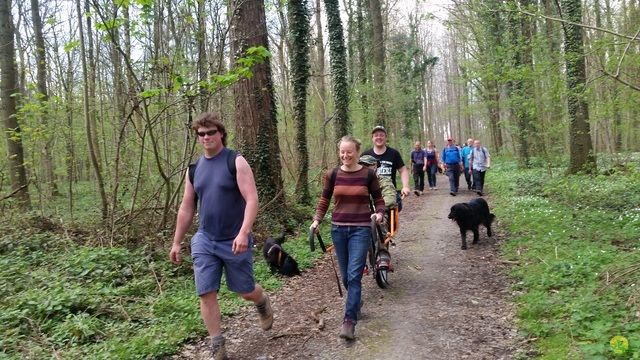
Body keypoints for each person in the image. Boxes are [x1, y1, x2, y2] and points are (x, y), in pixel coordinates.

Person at [170, 113, 273, 360]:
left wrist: (244, 233)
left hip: (234, 238)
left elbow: (252, 199)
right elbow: (186, 206)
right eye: (201, 134)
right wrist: (176, 241)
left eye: (211, 132)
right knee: (206, 292)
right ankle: (218, 344)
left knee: (245, 291)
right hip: (205, 238)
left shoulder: (235, 161)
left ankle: (261, 301)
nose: (206, 137)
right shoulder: (194, 169)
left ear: (221, 133)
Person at [310, 136, 385, 341]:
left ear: (357, 152)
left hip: (361, 230)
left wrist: (378, 215)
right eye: (342, 152)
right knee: (346, 277)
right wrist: (317, 221)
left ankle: (349, 321)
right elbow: (324, 200)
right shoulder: (332, 174)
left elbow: (379, 201)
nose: (345, 156)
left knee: (354, 276)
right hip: (338, 230)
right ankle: (356, 300)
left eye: (349, 152)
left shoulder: (368, 174)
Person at [361, 125, 411, 210]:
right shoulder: (365, 156)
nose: (379, 137)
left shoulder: (394, 153)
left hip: (389, 192)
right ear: (372, 138)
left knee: (390, 214)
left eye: (381, 135)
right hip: (370, 194)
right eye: (376, 135)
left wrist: (405, 186)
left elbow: (403, 171)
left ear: (385, 137)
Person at [358, 154, 396, 241]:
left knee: (377, 222)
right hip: (360, 213)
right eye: (361, 166)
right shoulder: (357, 182)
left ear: (374, 167)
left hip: (379, 212)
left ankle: (381, 251)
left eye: (367, 165)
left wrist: (377, 209)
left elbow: (390, 198)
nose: (363, 168)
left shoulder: (384, 181)